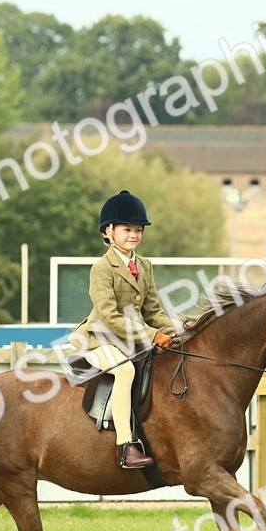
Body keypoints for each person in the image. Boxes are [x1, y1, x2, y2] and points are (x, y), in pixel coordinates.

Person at [70, 190, 176, 469]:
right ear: (109, 231)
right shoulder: (101, 268)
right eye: (127, 229)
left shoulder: (144, 265)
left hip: (129, 339)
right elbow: (110, 316)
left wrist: (179, 331)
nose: (134, 235)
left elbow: (153, 311)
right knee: (125, 370)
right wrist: (153, 335)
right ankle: (125, 446)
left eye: (138, 230)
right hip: (99, 338)